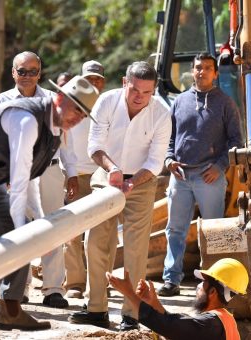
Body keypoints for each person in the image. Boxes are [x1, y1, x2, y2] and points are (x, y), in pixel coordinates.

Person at [0, 75, 99, 339]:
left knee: (20, 237)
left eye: (84, 114)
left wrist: (38, 228)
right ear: (59, 98)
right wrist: (24, 234)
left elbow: (31, 180)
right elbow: (20, 182)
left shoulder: (55, 132)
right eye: (75, 108)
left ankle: (10, 309)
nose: (78, 118)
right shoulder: (27, 120)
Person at [68, 61, 171, 331]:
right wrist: (112, 169)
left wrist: (132, 182)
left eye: (147, 92)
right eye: (135, 89)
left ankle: (132, 312)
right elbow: (95, 145)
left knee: (136, 248)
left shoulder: (161, 113)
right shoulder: (106, 101)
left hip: (142, 180)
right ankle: (96, 308)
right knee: (96, 240)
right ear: (125, 83)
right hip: (106, 174)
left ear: (154, 90)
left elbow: (155, 162)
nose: (140, 97)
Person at [0, 51, 77, 309]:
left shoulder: (54, 100)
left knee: (53, 229)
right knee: (20, 231)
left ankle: (53, 289)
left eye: (32, 71)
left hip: (49, 172)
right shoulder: (2, 100)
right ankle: (20, 288)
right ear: (13, 73)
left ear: (40, 73)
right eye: (22, 71)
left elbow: (66, 141)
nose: (27, 75)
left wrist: (71, 173)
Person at [157, 53, 243, 297]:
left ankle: (213, 281)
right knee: (175, 229)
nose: (202, 72)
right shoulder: (180, 101)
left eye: (207, 68)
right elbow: (170, 137)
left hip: (210, 176)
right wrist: (169, 159)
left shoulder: (225, 103)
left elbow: (236, 140)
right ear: (192, 72)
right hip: (181, 175)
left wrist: (220, 166)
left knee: (213, 230)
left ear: (215, 73)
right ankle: (171, 279)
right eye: (198, 68)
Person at [64, 60, 116, 299]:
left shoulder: (111, 107)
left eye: (98, 79)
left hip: (102, 177)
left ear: (103, 82)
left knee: (103, 235)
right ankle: (74, 283)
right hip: (75, 176)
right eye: (89, 78)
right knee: (71, 233)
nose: (94, 82)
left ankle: (100, 283)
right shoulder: (70, 104)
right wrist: (68, 173)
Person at [107, 258, 249, 340]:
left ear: (212, 291)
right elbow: (179, 323)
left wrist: (129, 293)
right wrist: (154, 303)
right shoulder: (223, 320)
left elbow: (172, 327)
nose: (198, 286)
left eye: (203, 282)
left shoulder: (210, 324)